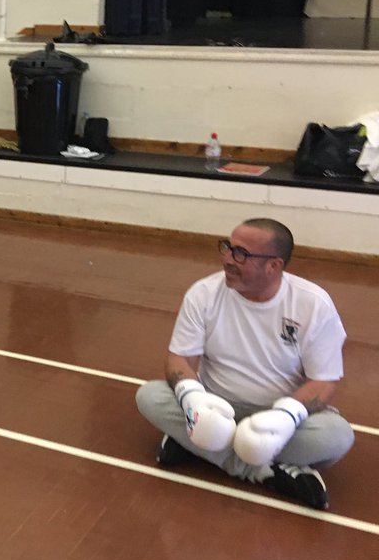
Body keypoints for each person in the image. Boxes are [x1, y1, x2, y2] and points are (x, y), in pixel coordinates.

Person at [135, 218, 354, 510]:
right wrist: (194, 400)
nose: (227, 259)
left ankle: (197, 445)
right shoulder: (203, 293)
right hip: (216, 408)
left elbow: (324, 382)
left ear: (273, 265)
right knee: (149, 396)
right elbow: (181, 359)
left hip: (274, 415)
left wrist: (285, 418)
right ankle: (263, 470)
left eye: (241, 253)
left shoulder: (313, 304)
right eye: (227, 247)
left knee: (336, 437)